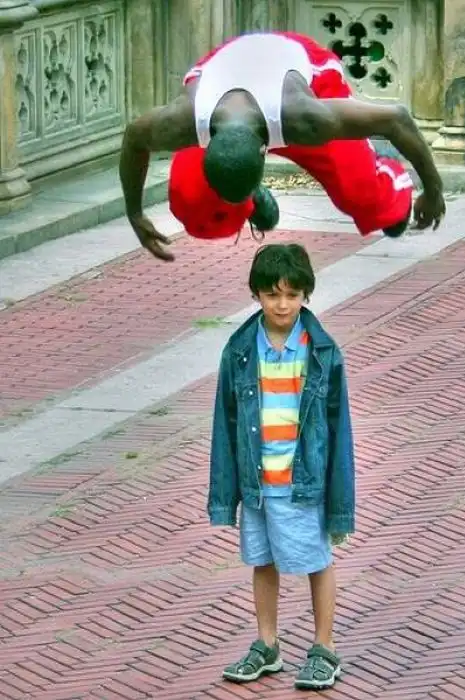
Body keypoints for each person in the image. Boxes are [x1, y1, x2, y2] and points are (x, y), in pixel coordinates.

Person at [119, 31, 446, 262]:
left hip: (300, 69)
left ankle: (385, 171)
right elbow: (133, 138)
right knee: (193, 207)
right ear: (206, 143)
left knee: (366, 200)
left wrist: (433, 191)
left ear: (264, 151)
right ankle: (250, 196)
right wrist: (134, 214)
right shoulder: (182, 121)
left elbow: (397, 120)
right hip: (224, 67)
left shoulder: (306, 118)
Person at [208, 243, 354, 690]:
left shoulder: (323, 352)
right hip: (256, 481)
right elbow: (225, 423)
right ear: (256, 294)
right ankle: (267, 644)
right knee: (262, 560)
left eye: (292, 294)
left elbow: (339, 429)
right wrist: (224, 495)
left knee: (316, 560)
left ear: (306, 293)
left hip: (303, 482)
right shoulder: (239, 350)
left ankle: (324, 647)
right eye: (272, 295)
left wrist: (340, 503)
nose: (283, 304)